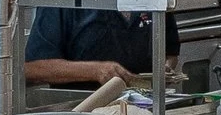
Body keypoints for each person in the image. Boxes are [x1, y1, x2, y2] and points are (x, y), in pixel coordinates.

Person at [25, 7, 157, 89]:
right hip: (81, 109)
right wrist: (96, 71)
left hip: (145, 105)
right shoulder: (61, 1)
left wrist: (163, 71)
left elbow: (170, 53)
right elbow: (34, 68)